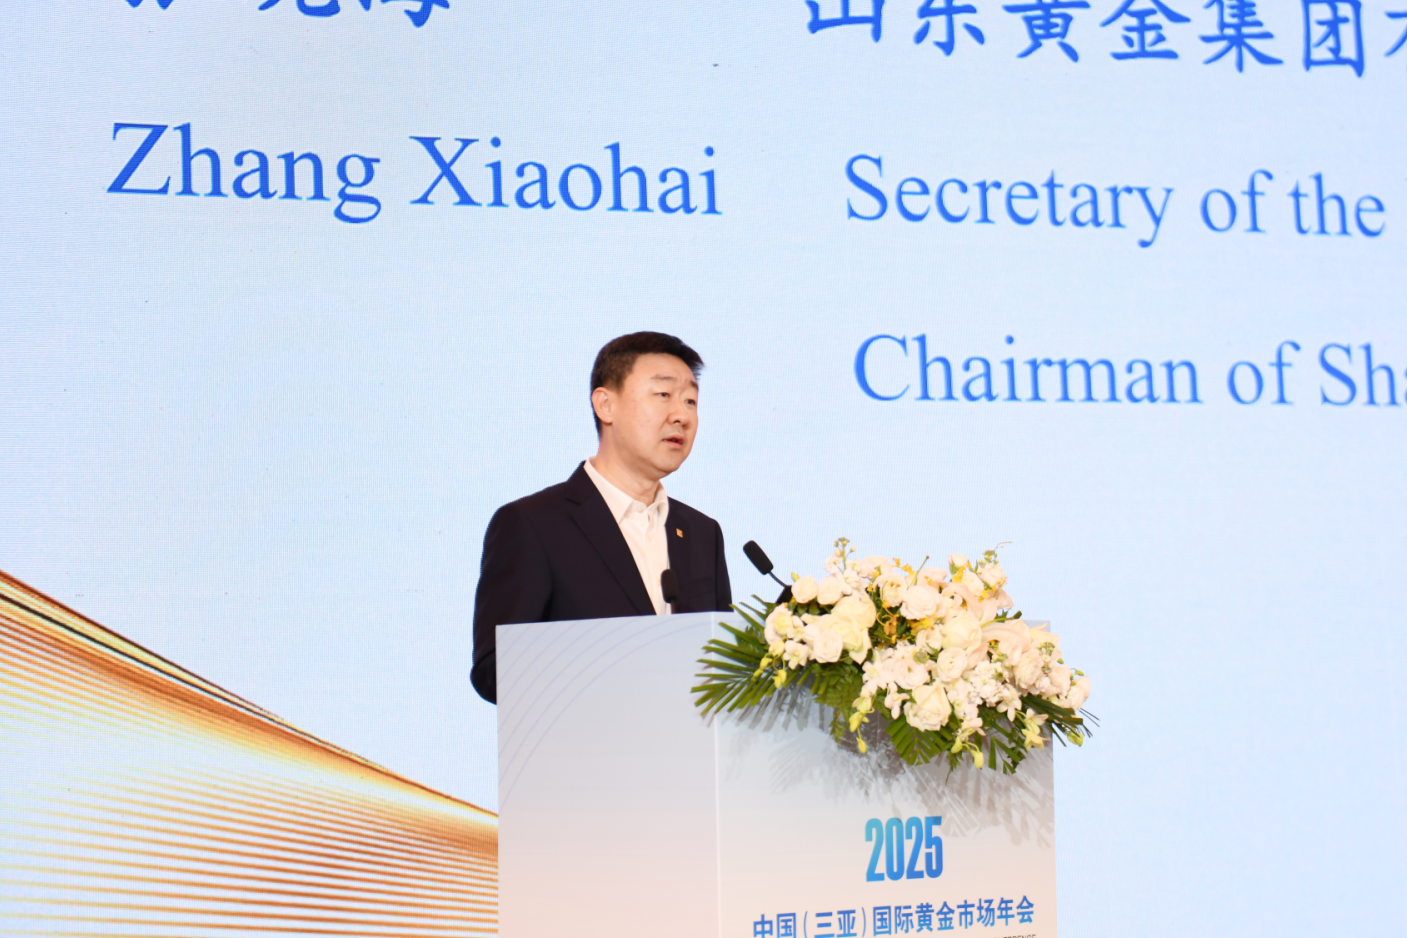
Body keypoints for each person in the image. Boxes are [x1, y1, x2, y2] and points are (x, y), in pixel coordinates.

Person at [470, 332, 732, 703]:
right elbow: (495, 669)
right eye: (663, 395)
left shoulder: (702, 533)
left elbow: (723, 671)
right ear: (605, 405)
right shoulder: (532, 524)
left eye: (690, 400)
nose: (682, 416)